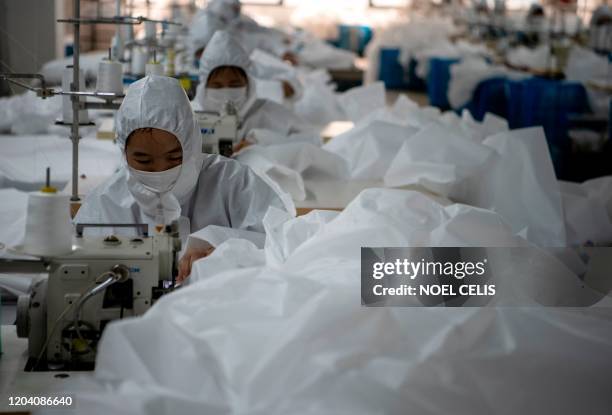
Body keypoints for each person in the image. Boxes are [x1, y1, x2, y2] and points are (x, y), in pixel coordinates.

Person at [74, 75, 287, 282]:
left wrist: (227, 249)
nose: (160, 169)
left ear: (191, 146)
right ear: (123, 152)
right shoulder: (105, 203)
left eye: (174, 158)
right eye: (144, 161)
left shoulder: (234, 183)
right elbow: (75, 267)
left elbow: (283, 240)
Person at [194, 31, 310, 147]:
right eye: (217, 86)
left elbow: (311, 139)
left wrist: (262, 141)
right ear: (204, 87)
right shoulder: (192, 118)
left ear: (248, 84)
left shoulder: (269, 113)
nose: (226, 92)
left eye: (235, 85)